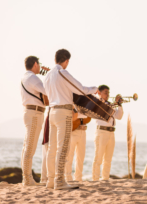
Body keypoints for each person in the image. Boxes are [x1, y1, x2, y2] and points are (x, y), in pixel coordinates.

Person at [44, 49, 98, 190]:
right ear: (66, 60)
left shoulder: (48, 75)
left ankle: (50, 180)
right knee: (63, 148)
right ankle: (60, 181)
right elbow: (79, 89)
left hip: (52, 111)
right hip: (63, 112)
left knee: (52, 148)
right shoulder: (62, 72)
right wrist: (95, 89)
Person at [20, 56, 49, 186]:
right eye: (39, 64)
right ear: (35, 64)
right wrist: (48, 76)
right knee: (30, 148)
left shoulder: (26, 77)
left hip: (30, 112)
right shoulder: (33, 78)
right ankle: (27, 179)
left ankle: (26, 178)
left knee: (27, 146)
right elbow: (48, 90)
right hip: (35, 113)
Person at [92, 85, 124, 181]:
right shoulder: (97, 103)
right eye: (105, 92)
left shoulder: (109, 104)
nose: (108, 95)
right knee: (98, 158)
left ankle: (105, 178)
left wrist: (119, 105)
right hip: (101, 132)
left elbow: (119, 116)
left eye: (108, 93)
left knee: (108, 159)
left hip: (111, 133)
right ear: (99, 93)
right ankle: (95, 179)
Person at [65, 112, 91, 182]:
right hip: (73, 131)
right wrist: (82, 117)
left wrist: (81, 117)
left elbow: (88, 118)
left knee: (81, 157)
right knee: (69, 155)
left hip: (83, 131)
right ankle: (68, 177)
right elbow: (74, 116)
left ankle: (78, 178)